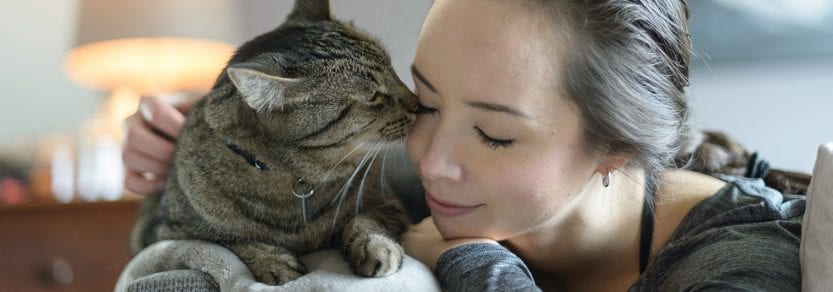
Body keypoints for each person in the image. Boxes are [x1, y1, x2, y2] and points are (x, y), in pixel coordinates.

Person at [123, 0, 805, 291]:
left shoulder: (740, 270)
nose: (427, 158)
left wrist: (467, 259)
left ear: (614, 145)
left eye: (493, 133)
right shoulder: (444, 174)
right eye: (422, 100)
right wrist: (212, 141)